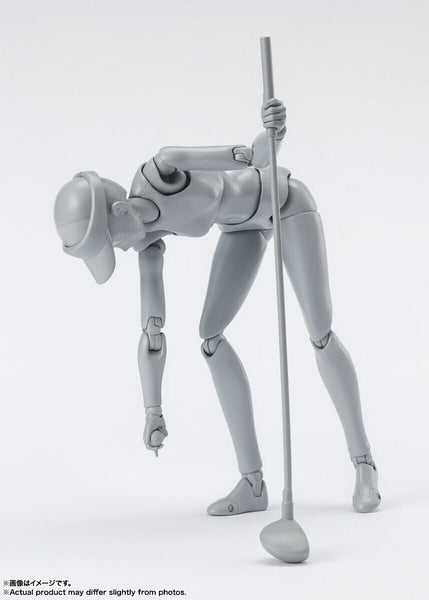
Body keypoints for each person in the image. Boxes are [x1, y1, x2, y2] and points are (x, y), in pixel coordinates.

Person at [54, 99, 381, 515]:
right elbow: (152, 332)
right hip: (241, 228)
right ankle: (253, 483)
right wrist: (153, 409)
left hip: (285, 204)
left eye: (109, 241)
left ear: (119, 211)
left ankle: (364, 465)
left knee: (320, 334)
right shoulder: (146, 241)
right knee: (210, 338)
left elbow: (248, 156)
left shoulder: (162, 170)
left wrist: (272, 132)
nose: (116, 249)